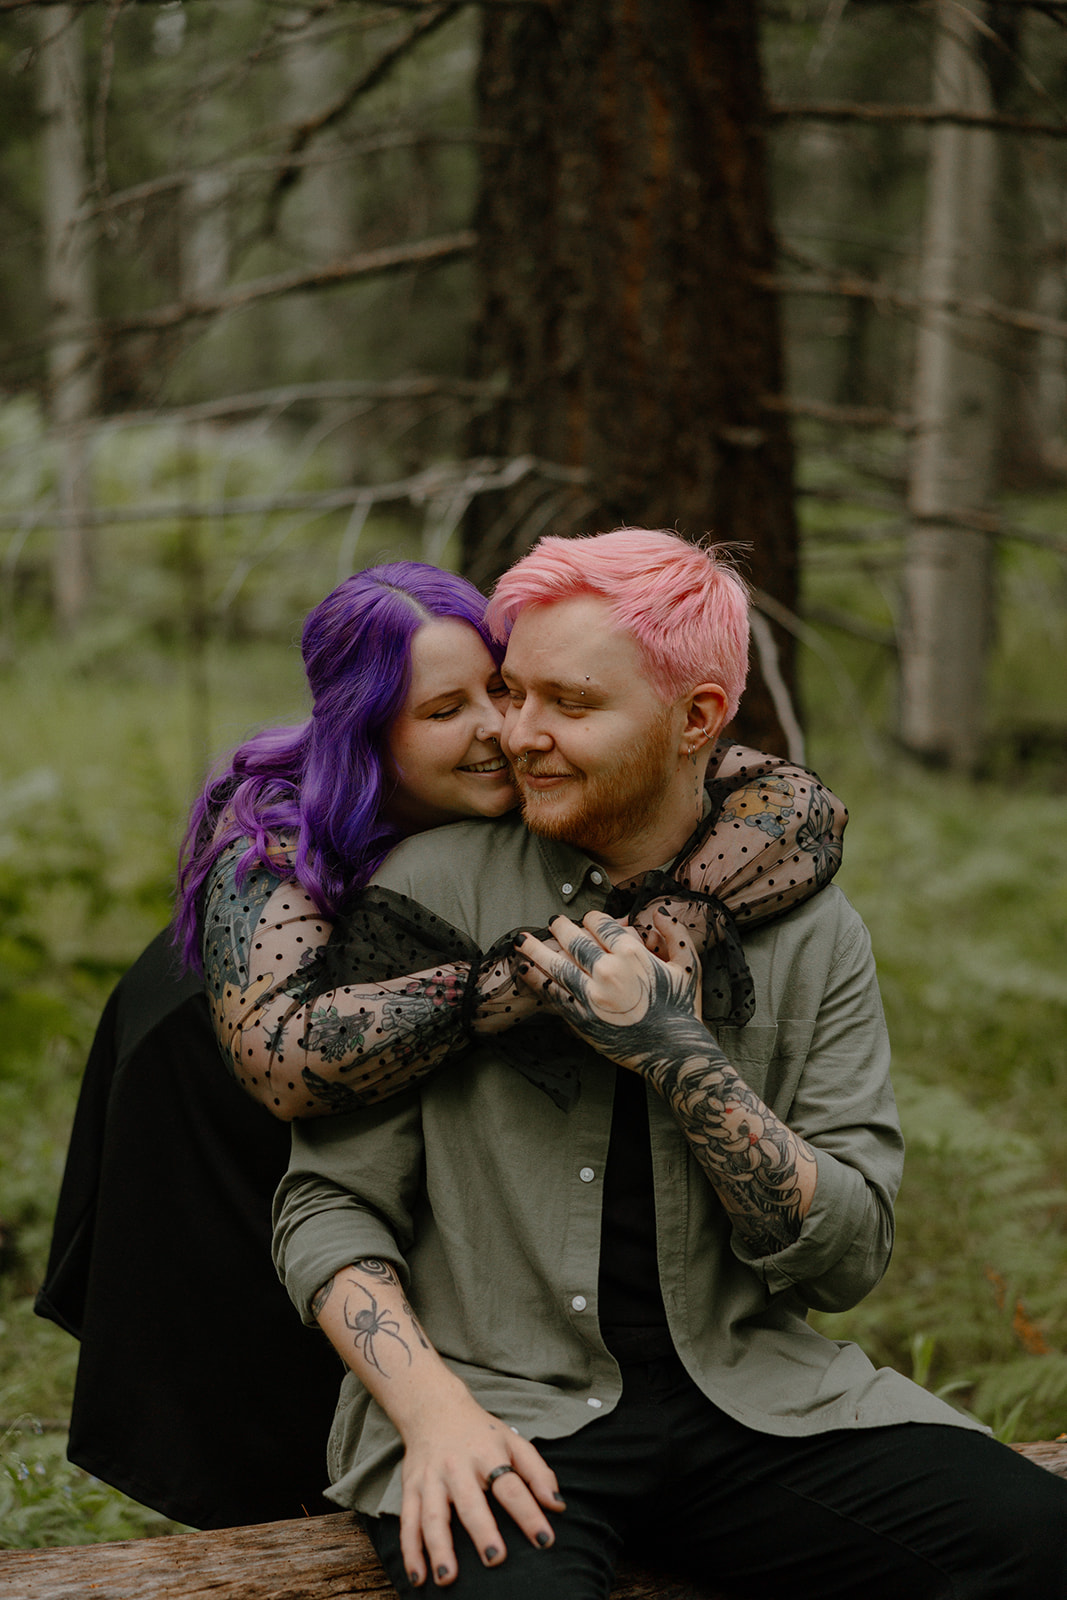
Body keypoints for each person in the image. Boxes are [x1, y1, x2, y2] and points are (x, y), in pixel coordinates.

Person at [274, 529, 1067, 1598]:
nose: (517, 735)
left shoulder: (811, 930)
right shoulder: (433, 891)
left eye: (570, 703)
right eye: (513, 693)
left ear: (695, 718)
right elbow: (325, 1206)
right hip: (499, 1412)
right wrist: (433, 1416)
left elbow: (846, 1253)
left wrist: (679, 1054)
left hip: (750, 1402)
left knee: (1035, 1537)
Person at [36, 557, 844, 1532]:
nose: (497, 730)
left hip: (399, 1072)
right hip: (216, 1100)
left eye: (499, 691)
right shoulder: (277, 837)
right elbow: (284, 1060)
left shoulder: (531, 776)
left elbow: (796, 806)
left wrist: (676, 903)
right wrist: (526, 978)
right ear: (365, 732)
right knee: (266, 1405)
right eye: (444, 708)